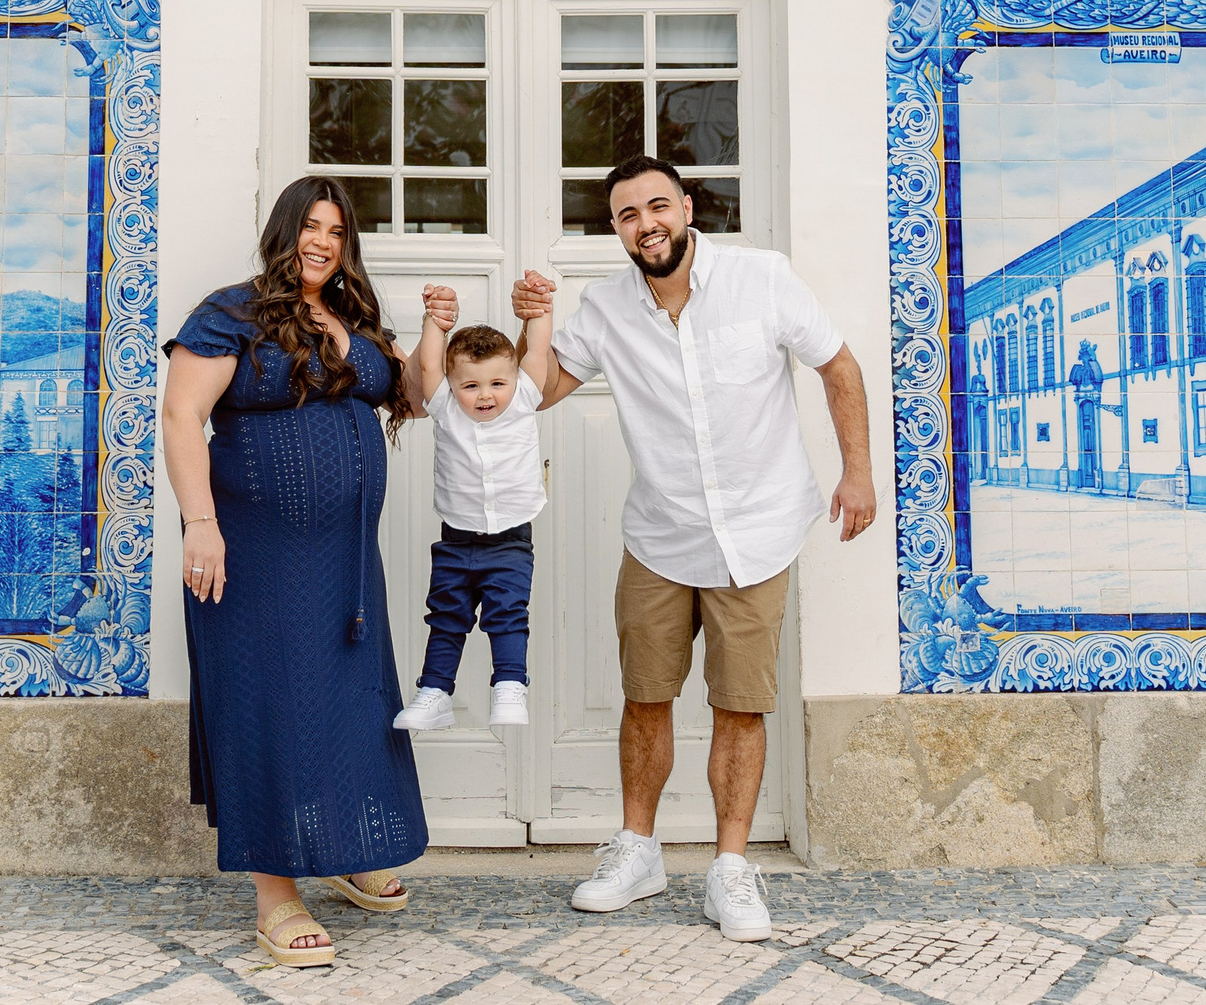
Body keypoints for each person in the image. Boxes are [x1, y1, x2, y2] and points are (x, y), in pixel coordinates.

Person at [511, 155, 873, 943]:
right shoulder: (605, 309)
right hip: (662, 534)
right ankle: (638, 850)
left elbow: (838, 364)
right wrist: (534, 319)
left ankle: (730, 868)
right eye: (627, 215)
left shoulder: (761, 278)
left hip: (759, 529)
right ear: (616, 231)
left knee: (740, 702)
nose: (646, 224)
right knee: (645, 694)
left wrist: (858, 471)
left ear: (686, 206)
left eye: (656, 206)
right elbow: (534, 392)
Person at [162, 176, 450, 968]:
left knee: (351, 704)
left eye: (335, 229)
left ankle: (352, 850)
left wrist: (432, 330)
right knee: (271, 704)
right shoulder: (231, 312)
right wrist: (200, 522)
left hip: (345, 560)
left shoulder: (352, 322)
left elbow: (416, 399)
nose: (321, 240)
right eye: (308, 225)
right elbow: (181, 413)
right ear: (283, 231)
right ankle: (275, 893)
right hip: (253, 556)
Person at [393, 291, 552, 732]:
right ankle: (436, 693)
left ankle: (509, 684)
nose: (485, 395)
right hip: (456, 540)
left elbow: (537, 349)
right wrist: (435, 322)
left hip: (510, 541)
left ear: (514, 381)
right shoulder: (443, 407)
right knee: (446, 617)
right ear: (452, 386)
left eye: (497, 383)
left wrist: (539, 310)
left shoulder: (524, 399)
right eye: (471, 385)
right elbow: (428, 365)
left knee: (506, 613)